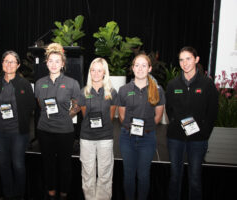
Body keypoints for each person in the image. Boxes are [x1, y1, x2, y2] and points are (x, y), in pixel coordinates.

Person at [166, 46, 218, 200]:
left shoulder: (207, 85)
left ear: (196, 60)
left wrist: (204, 133)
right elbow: (169, 110)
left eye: (188, 59)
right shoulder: (173, 85)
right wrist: (176, 123)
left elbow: (212, 112)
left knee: (195, 179)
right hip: (175, 139)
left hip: (198, 140)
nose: (185, 63)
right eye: (181, 60)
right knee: (175, 177)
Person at [34, 43, 81, 200]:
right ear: (46, 63)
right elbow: (41, 105)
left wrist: (66, 115)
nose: (54, 64)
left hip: (64, 131)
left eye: (57, 61)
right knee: (48, 164)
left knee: (64, 166)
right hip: (44, 130)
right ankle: (51, 192)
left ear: (62, 64)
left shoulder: (71, 83)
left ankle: (64, 194)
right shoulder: (40, 83)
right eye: (51, 61)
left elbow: (77, 105)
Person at [118, 54, 165, 200]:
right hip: (127, 138)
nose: (140, 68)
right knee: (129, 174)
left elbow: (158, 116)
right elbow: (121, 117)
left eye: (144, 65)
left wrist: (146, 129)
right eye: (137, 65)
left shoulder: (157, 90)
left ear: (149, 68)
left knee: (144, 175)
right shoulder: (124, 89)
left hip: (147, 139)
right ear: (132, 68)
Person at [0, 50, 35, 200]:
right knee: (3, 165)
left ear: (17, 65)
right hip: (0, 132)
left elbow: (31, 106)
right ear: (2, 63)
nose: (9, 64)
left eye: (12, 62)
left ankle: (19, 195)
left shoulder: (24, 84)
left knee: (18, 165)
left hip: (19, 132)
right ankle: (8, 194)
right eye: (6, 61)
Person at [78, 58, 117, 200]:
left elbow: (111, 116)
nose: (95, 73)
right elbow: (84, 114)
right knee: (87, 173)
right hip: (87, 138)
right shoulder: (83, 92)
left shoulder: (112, 92)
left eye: (99, 70)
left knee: (105, 173)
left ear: (104, 73)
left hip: (105, 137)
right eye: (93, 70)